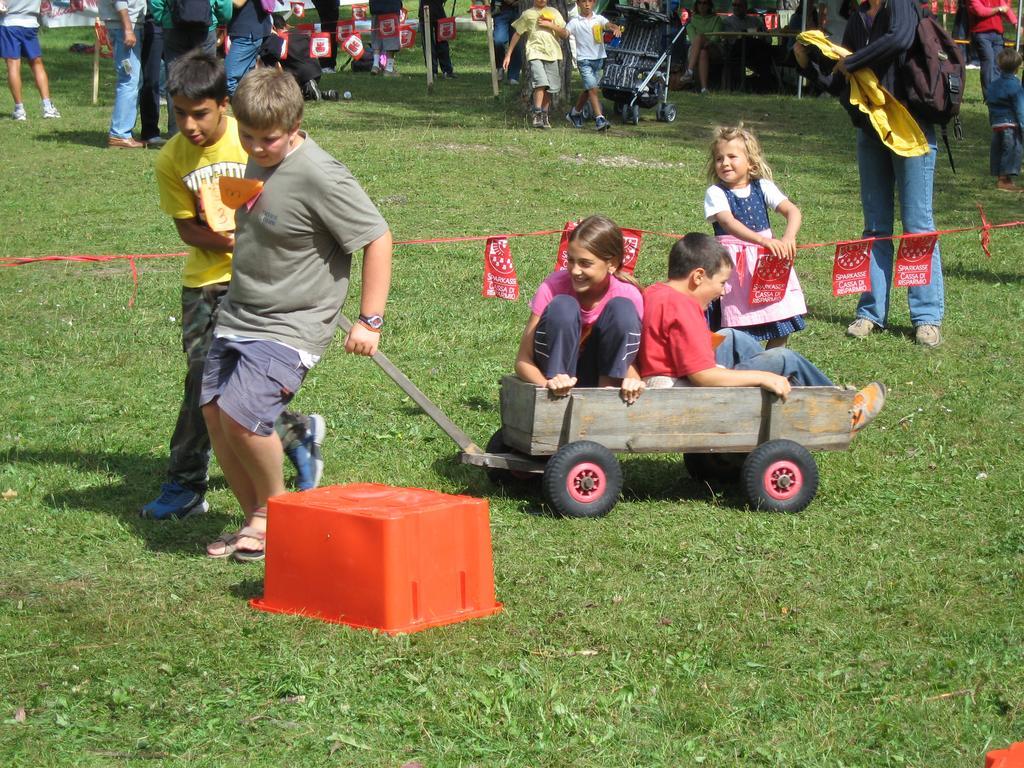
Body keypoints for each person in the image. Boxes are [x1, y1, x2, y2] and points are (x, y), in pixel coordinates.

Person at [200, 67, 392, 561]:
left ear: (296, 123)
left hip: (292, 323)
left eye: (269, 139)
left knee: (243, 417)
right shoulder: (250, 158)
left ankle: (274, 516)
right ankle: (253, 518)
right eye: (247, 136)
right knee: (216, 416)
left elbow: (377, 237)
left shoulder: (319, 173)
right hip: (240, 313)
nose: (257, 147)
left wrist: (370, 320)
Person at [146, 50, 324, 521]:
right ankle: (289, 434)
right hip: (204, 282)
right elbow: (187, 229)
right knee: (204, 384)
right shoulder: (171, 158)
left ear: (223, 104)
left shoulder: (250, 145)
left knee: (229, 387)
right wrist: (229, 241)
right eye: (179, 112)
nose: (189, 124)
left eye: (199, 113)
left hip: (257, 286)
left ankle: (186, 481)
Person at [794, 0, 946, 348]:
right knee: (875, 227)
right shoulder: (858, 19)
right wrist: (807, 65)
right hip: (870, 131)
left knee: (917, 225)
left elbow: (900, 39)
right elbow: (841, 83)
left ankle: (926, 318)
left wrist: (852, 61)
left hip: (911, 129)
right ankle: (870, 313)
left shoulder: (902, 5)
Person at [638, 233, 886, 433]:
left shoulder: (657, 292)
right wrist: (763, 377)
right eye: (722, 283)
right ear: (698, 277)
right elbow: (703, 377)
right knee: (783, 358)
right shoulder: (684, 309)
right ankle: (841, 414)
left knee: (732, 336)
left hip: (668, 374)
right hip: (683, 390)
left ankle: (779, 400)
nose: (724, 292)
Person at [515, 215, 645, 403]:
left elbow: (630, 358)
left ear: (612, 263)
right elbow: (522, 361)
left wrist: (633, 380)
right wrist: (546, 385)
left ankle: (606, 394)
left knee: (622, 309)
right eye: (571, 260)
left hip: (600, 376)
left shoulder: (629, 295)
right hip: (555, 380)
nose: (575, 270)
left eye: (585, 263)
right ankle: (559, 381)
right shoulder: (553, 286)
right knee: (563, 307)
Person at [704, 124, 806, 349]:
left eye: (732, 156)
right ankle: (737, 366)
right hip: (734, 266)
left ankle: (772, 360)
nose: (725, 163)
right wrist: (763, 240)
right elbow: (728, 222)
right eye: (719, 158)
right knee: (734, 324)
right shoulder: (716, 193)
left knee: (780, 315)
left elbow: (793, 211)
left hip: (766, 263)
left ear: (750, 162)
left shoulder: (763, 187)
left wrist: (788, 237)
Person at [151, 0, 232, 135]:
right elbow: (224, 5)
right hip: (205, 26)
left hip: (172, 25)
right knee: (207, 77)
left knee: (174, 78)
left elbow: (156, 2)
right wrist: (221, 19)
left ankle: (176, 132)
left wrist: (162, 17)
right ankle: (206, 127)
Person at [503, 0, 569, 129]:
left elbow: (565, 34)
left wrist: (551, 25)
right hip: (535, 53)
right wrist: (508, 54)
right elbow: (517, 34)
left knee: (551, 87)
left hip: (553, 54)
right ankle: (536, 113)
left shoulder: (554, 12)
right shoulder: (528, 14)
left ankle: (544, 114)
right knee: (541, 82)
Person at [565, 0, 619, 131]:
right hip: (584, 61)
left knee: (589, 90)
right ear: (578, 4)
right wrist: (555, 28)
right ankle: (599, 118)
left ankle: (574, 113)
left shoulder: (598, 18)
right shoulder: (574, 22)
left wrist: (614, 28)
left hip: (599, 59)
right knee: (593, 88)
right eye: (583, 2)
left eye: (590, 1)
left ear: (594, 3)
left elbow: (607, 25)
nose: (587, 4)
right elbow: (565, 33)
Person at [1, 0, 60, 121]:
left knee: (13, 65)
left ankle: (19, 110)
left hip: (9, 22)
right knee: (37, 64)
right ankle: (47, 107)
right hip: (30, 23)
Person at [99, 0, 147, 147]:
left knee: (134, 80)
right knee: (128, 79)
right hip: (124, 26)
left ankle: (123, 131)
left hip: (127, 24)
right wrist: (127, 29)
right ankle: (119, 133)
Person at [259, 14, 338, 100]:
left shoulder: (275, 41)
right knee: (298, 97)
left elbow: (275, 65)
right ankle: (321, 94)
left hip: (298, 76)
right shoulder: (301, 33)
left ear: (273, 28)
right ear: (286, 25)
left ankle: (307, 87)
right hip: (316, 72)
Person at [986, 48, 1024, 191]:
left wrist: (992, 121)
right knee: (1012, 150)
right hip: (1011, 124)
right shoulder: (1015, 86)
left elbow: (989, 103)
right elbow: (1020, 108)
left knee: (998, 149)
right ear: (1017, 67)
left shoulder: (993, 84)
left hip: (997, 123)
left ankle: (999, 176)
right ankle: (1005, 180)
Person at [969, 0, 1017, 100]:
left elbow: (1006, 9)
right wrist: (998, 9)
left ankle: (997, 94)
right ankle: (989, 96)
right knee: (988, 62)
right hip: (981, 34)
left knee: (998, 64)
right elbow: (980, 11)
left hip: (997, 34)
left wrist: (1015, 23)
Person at [224, 0, 270, 96]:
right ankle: (250, 106)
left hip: (247, 33)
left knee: (227, 79)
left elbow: (238, 2)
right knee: (245, 81)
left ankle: (244, 107)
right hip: (247, 31)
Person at [680, 0, 724, 94]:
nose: (702, 5)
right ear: (696, 5)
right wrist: (702, 42)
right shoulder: (691, 20)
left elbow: (715, 38)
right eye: (699, 3)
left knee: (700, 37)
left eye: (705, 3)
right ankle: (704, 88)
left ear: (709, 5)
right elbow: (692, 39)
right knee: (703, 52)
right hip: (697, 49)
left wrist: (704, 40)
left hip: (714, 48)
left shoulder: (716, 19)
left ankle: (689, 70)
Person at [420, 0, 455, 79]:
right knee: (438, 43)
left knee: (433, 43)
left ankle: (434, 71)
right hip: (434, 11)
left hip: (430, 11)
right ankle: (443, 71)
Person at [492, 0, 523, 84]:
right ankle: (500, 66)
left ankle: (513, 76)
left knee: (517, 45)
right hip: (501, 10)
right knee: (499, 40)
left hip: (519, 10)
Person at [369, 0, 402, 75]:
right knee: (391, 38)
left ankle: (375, 65)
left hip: (375, 7)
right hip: (391, 6)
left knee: (376, 36)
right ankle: (389, 69)